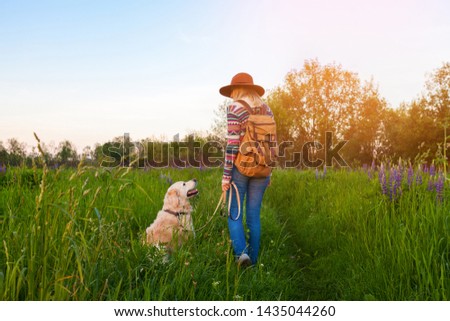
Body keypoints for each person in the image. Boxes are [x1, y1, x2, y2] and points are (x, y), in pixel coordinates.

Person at [219, 72, 275, 267]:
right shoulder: (267, 109)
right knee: (253, 215)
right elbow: (272, 143)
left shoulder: (235, 108)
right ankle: (254, 258)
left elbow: (232, 144)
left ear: (236, 90)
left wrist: (226, 177)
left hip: (241, 168)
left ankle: (242, 255)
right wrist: (269, 172)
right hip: (262, 168)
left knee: (234, 213)